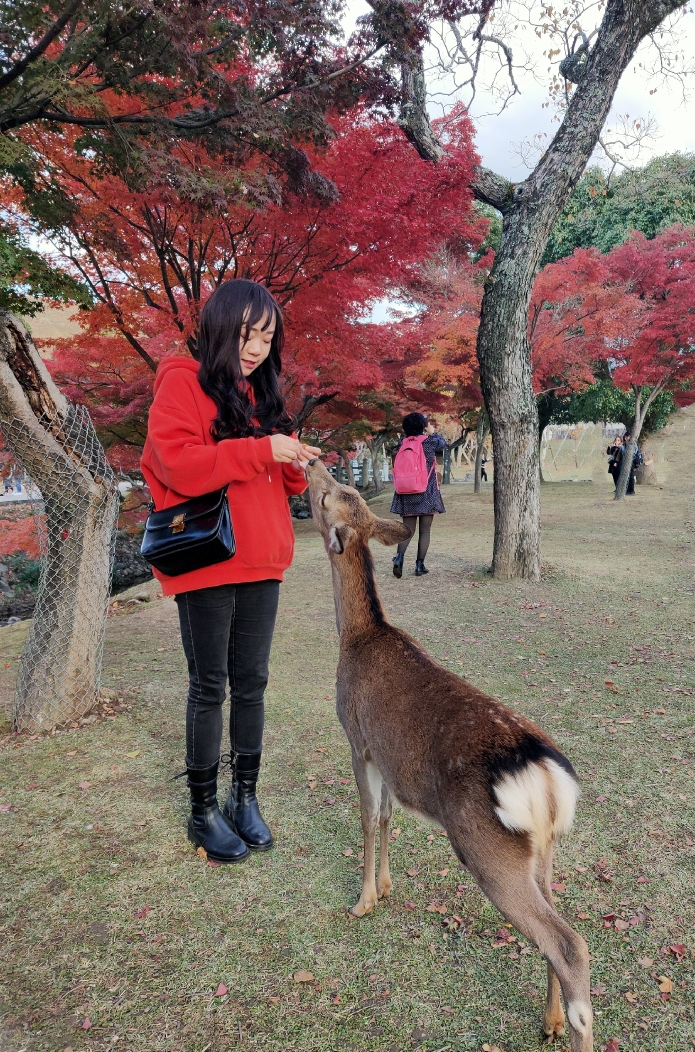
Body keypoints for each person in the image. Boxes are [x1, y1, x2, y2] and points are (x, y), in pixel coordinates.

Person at [141, 279, 320, 864]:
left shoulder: (258, 395)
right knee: (209, 685)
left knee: (253, 683)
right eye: (248, 332)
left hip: (263, 559)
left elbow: (275, 481)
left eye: (267, 336)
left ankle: (245, 798)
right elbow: (180, 466)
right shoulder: (180, 382)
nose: (257, 346)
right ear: (221, 326)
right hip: (207, 559)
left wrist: (291, 458)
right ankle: (202, 810)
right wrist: (261, 452)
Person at [390, 412, 446, 577]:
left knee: (407, 529)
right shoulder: (429, 443)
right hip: (426, 492)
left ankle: (399, 557)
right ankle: (419, 565)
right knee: (424, 530)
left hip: (406, 492)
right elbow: (442, 444)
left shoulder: (402, 443)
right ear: (422, 426)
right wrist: (432, 431)